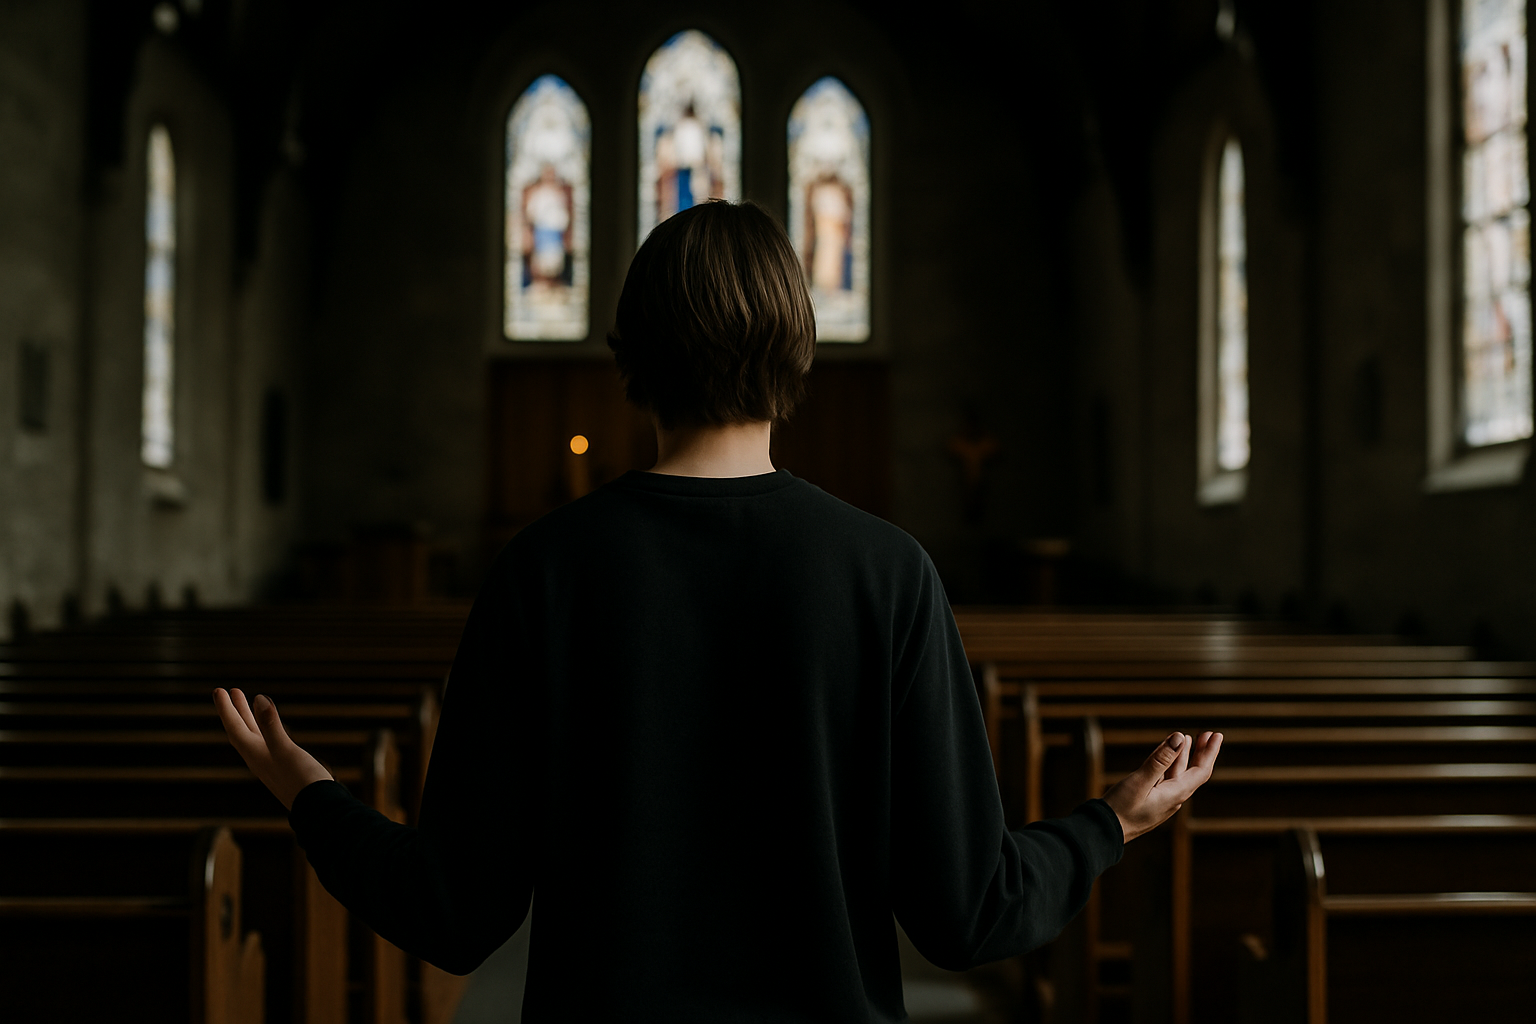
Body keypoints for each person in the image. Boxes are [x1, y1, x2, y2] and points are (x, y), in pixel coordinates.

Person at [214, 200, 1222, 1023]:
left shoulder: (545, 571)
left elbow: (455, 910)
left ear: (632, 357)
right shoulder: (891, 573)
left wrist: (310, 792)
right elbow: (970, 911)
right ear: (797, 352)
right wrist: (1112, 822)